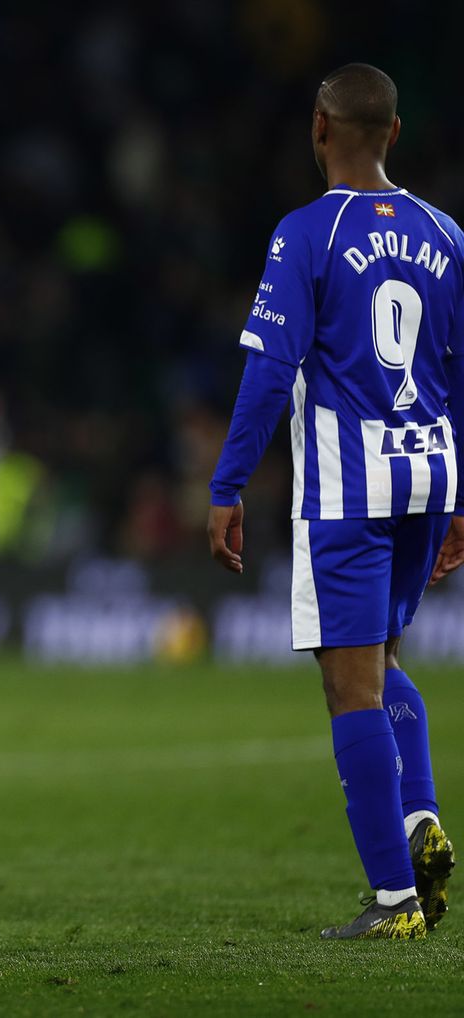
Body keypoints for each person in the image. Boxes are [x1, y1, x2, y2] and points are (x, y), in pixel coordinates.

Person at [207, 63, 464, 940]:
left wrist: (227, 483)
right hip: (429, 477)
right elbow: (457, 373)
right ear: (393, 133)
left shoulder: (306, 233)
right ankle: (420, 815)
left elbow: (271, 369)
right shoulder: (446, 233)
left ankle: (395, 900)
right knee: (384, 663)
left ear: (320, 128)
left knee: (348, 688)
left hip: (349, 490)